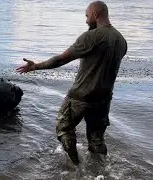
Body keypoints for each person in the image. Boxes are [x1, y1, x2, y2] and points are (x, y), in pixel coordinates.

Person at [16, 1, 127, 165]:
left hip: (80, 96)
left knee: (63, 129)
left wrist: (35, 66)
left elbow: (61, 59)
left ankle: (76, 166)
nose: (86, 20)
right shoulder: (121, 41)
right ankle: (101, 171)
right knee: (97, 140)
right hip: (103, 100)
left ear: (95, 14)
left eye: (87, 16)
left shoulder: (91, 36)